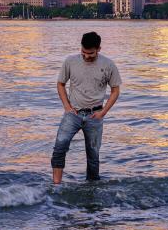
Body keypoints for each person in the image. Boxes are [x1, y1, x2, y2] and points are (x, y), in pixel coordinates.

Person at [50, 31, 121, 184]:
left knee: (93, 156)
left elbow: (115, 90)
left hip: (95, 115)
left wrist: (103, 112)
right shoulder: (70, 61)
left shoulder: (108, 65)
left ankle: (92, 189)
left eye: (90, 53)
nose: (86, 56)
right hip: (73, 113)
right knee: (59, 147)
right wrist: (67, 107)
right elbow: (60, 84)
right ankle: (56, 186)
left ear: (99, 49)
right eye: (83, 52)